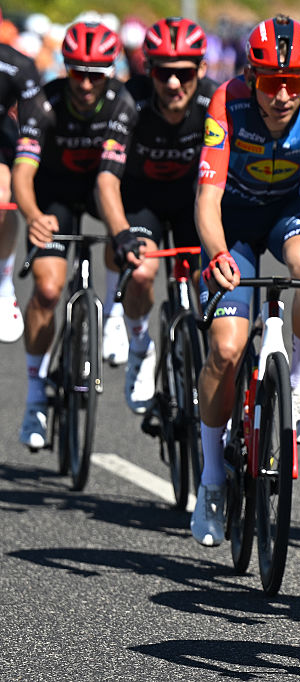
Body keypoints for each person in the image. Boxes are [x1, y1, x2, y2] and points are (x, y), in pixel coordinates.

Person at [189, 15, 300, 547]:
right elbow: (207, 199)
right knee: (227, 349)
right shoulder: (226, 102)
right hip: (233, 219)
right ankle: (212, 477)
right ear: (251, 74)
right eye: (270, 82)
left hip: (290, 207)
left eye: (294, 82)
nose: (283, 95)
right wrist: (215, 254)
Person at [15, 21, 136, 450]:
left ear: (111, 72)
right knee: (48, 289)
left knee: (121, 237)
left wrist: (120, 231)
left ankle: (113, 316)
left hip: (104, 187)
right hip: (53, 195)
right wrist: (31, 214)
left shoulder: (121, 103)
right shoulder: (43, 103)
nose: (85, 84)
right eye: (77, 72)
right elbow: (23, 172)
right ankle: (34, 397)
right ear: (66, 68)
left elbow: (110, 183)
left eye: (96, 74)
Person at [96, 16, 217, 414]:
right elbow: (106, 182)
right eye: (163, 73)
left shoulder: (213, 102)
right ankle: (141, 346)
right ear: (149, 70)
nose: (173, 84)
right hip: (141, 200)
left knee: (212, 280)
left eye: (183, 73)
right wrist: (120, 235)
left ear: (201, 68)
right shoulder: (128, 100)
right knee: (143, 269)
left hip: (191, 203)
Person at [0, 8, 41, 344]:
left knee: (2, 196)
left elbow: (34, 122)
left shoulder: (17, 65)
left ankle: (3, 284)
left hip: (1, 138)